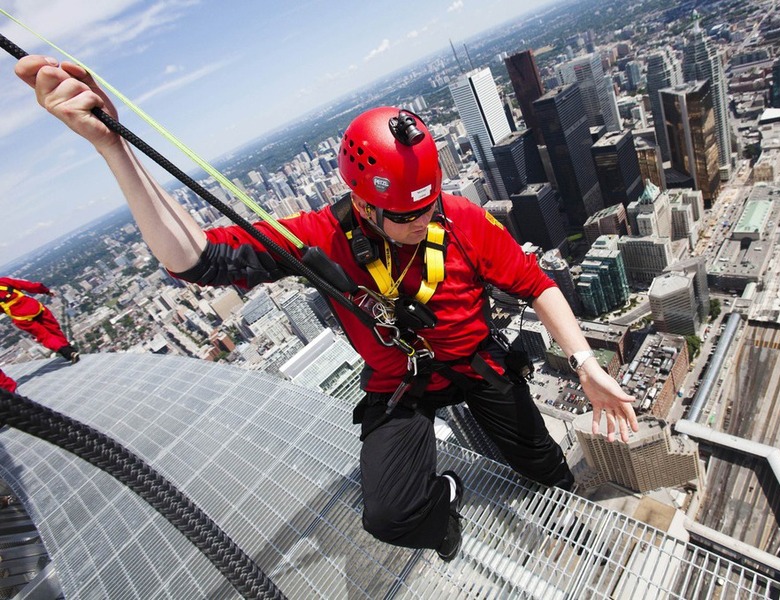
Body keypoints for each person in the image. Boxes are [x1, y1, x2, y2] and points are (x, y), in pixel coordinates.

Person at [15, 55, 639, 561]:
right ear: (364, 205)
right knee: (390, 517)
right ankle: (443, 503)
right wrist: (114, 148)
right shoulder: (322, 238)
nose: (423, 223)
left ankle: (576, 537)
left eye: (430, 206)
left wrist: (584, 362)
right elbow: (196, 261)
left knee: (543, 466)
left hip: (478, 363)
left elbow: (537, 284)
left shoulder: (465, 222)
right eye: (405, 215)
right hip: (403, 384)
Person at [0, 276, 79, 364]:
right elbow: (30, 286)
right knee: (53, 329)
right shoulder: (4, 281)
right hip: (35, 307)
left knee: (44, 336)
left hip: (21, 317)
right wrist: (46, 291)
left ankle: (67, 352)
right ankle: (70, 349)